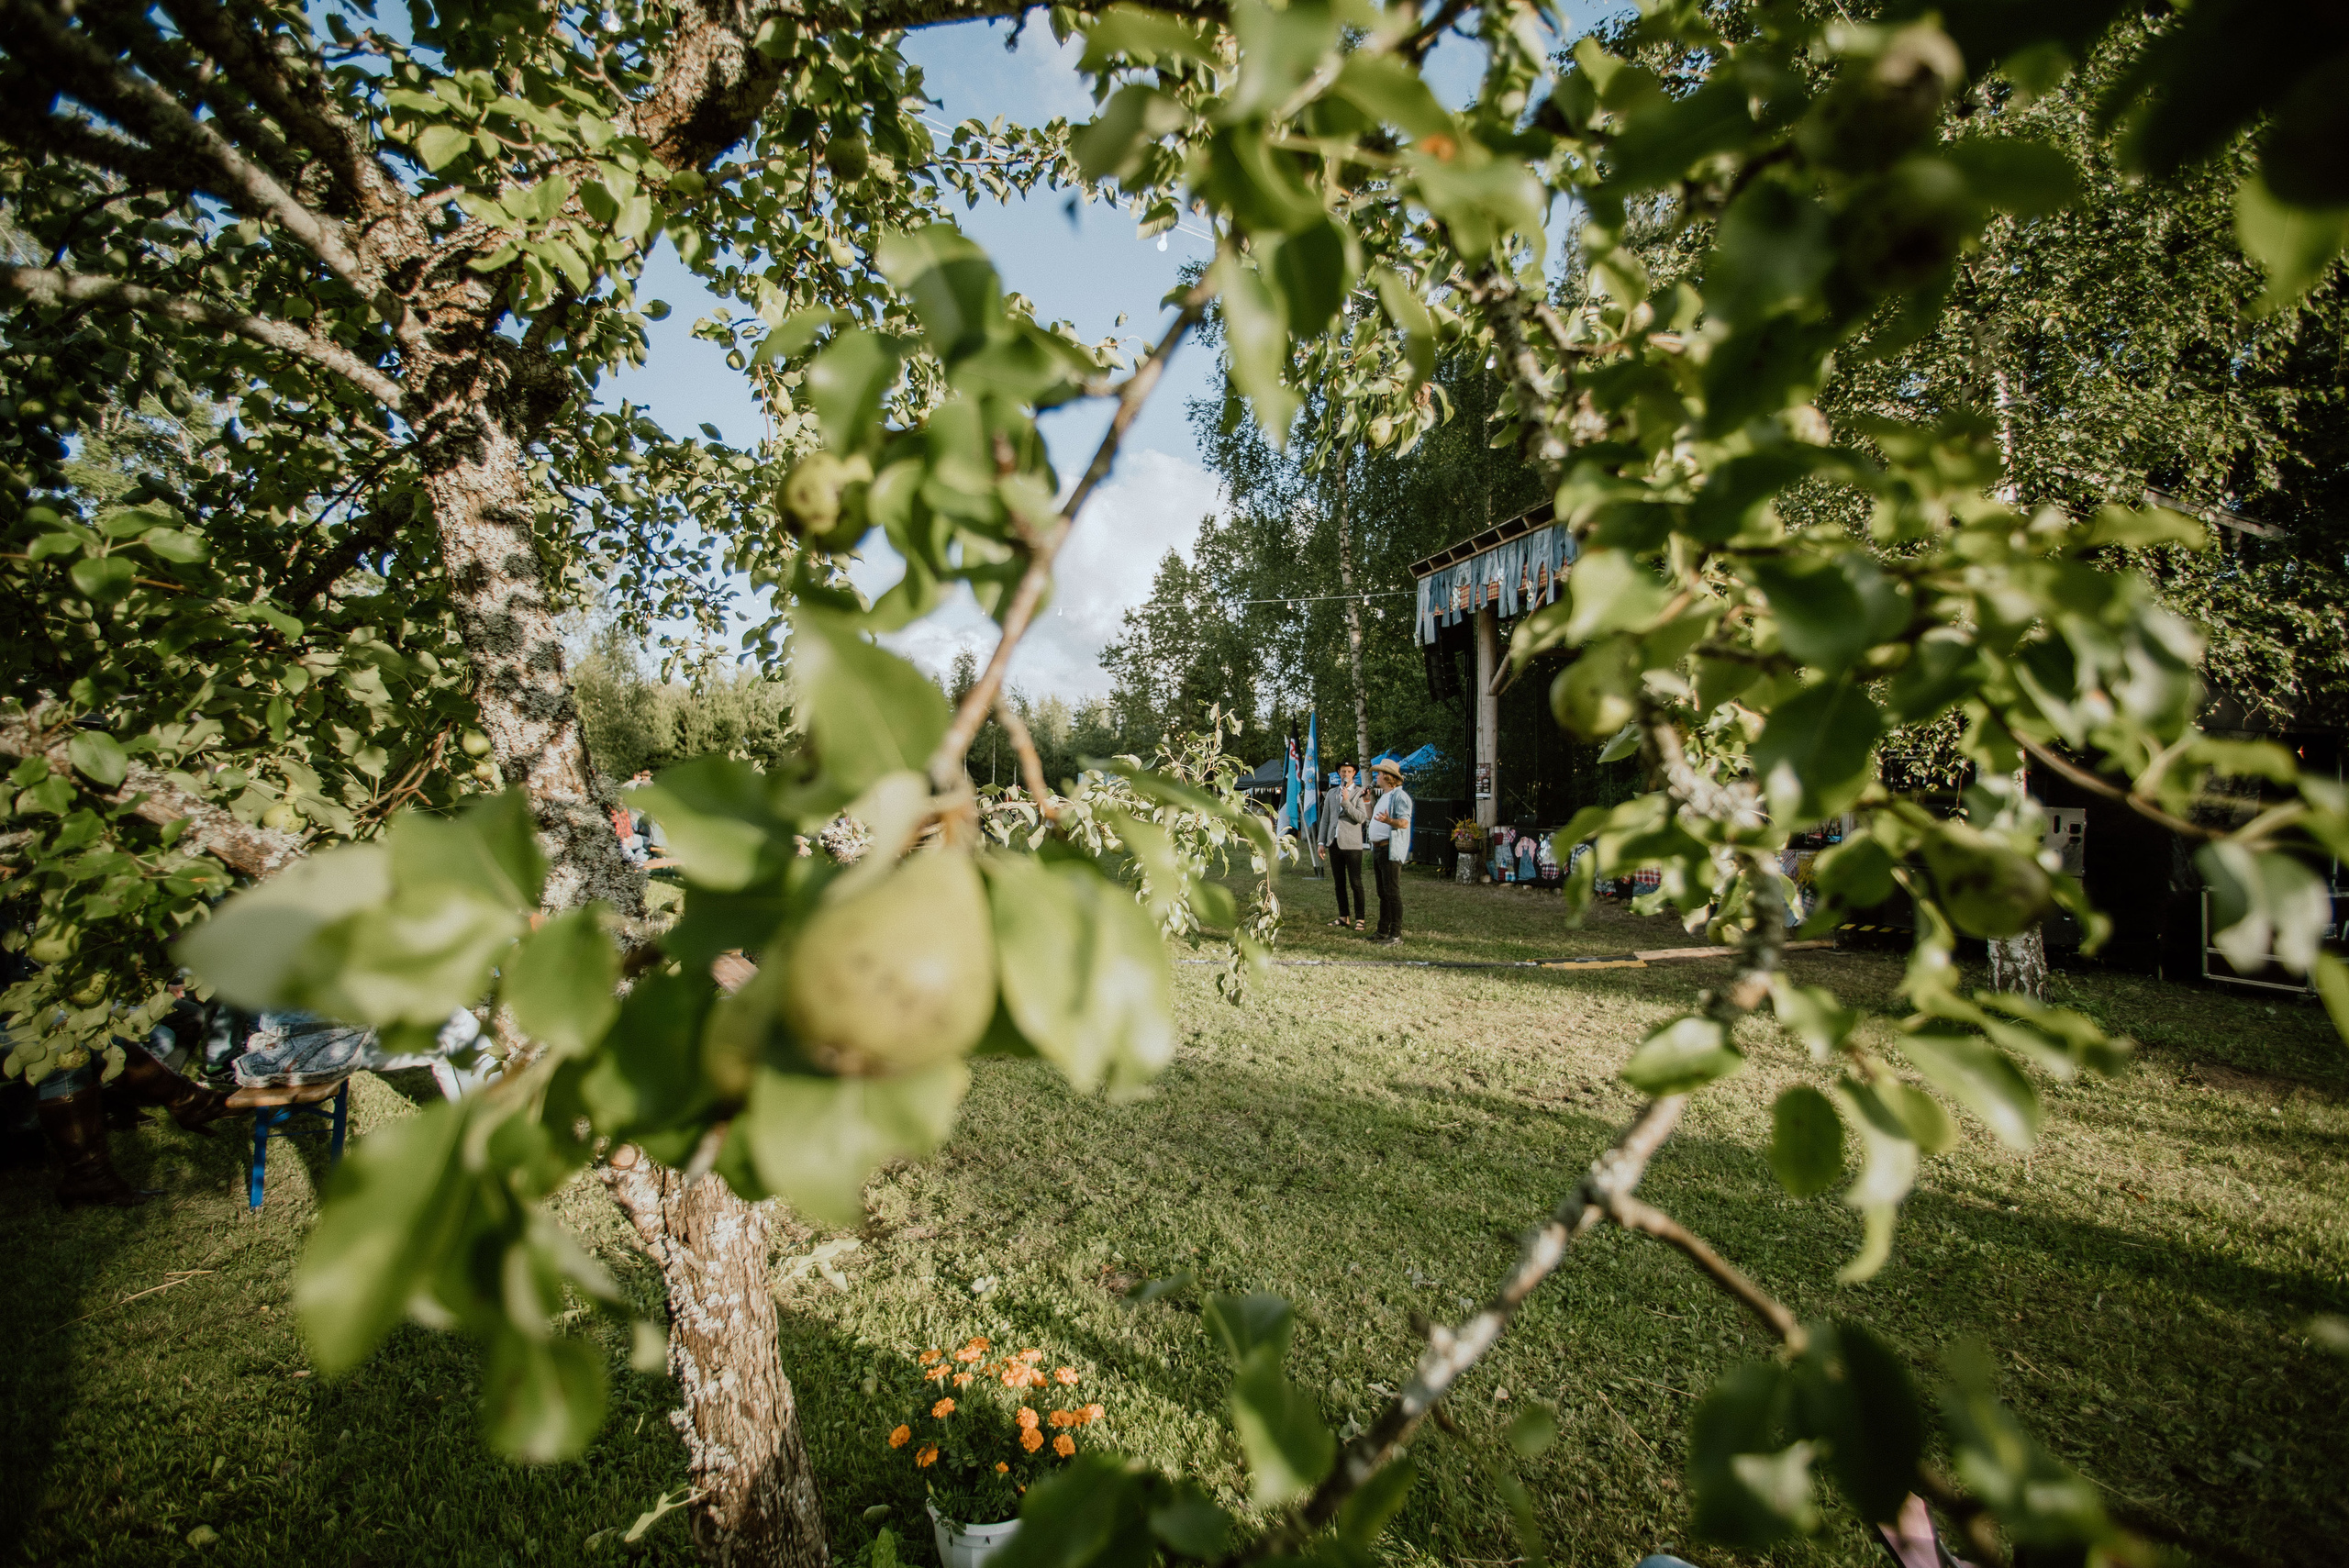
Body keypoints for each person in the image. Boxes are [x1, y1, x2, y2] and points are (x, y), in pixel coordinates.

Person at [1317, 762, 1370, 931]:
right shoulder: (1332, 793)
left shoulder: (1359, 792)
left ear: (1354, 773)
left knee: (1355, 882)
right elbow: (1325, 819)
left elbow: (1361, 818)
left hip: (1352, 844)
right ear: (1338, 773)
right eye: (1342, 771)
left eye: (1349, 771)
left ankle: (1360, 918)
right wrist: (1321, 842)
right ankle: (1343, 916)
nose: (1345, 774)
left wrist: (1346, 802)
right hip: (1334, 842)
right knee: (1339, 883)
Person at [1366, 758, 1414, 943]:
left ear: (1388, 776)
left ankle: (1396, 934)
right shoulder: (1384, 797)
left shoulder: (1399, 796)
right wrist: (1366, 801)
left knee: (1392, 892)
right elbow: (1372, 818)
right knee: (1383, 893)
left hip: (1390, 849)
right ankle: (1382, 930)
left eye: (1379, 773)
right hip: (1379, 849)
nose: (1376, 776)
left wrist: (1389, 822)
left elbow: (1404, 822)